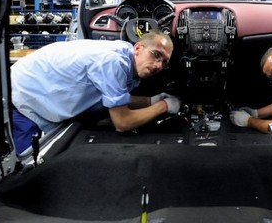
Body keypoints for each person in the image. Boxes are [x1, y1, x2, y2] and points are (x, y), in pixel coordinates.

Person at [10, 31, 180, 154]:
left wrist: (152, 101)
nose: (158, 65)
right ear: (138, 48)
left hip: (46, 94)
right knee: (28, 162)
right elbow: (122, 123)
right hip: (25, 95)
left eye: (164, 62)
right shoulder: (114, 62)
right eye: (156, 55)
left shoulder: (127, 58)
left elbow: (115, 97)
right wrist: (163, 106)